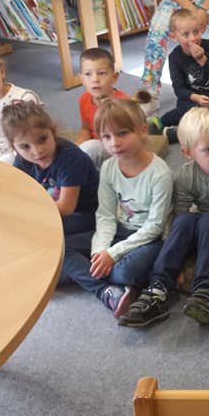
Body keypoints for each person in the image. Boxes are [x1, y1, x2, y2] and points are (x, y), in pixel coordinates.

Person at [120, 108, 209, 328]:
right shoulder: (185, 174)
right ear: (188, 153)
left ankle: (205, 292)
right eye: (208, 150)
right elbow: (177, 219)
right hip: (204, 223)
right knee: (185, 220)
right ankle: (157, 289)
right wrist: (179, 265)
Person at [62, 99, 172, 315]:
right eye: (106, 137)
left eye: (122, 133)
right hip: (119, 230)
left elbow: (155, 227)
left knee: (123, 272)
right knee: (61, 250)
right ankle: (107, 291)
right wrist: (100, 251)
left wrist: (113, 254)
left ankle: (92, 276)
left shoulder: (160, 174)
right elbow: (105, 214)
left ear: (142, 131)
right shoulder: (108, 167)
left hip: (148, 239)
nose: (114, 143)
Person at [3, 101, 99, 237]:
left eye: (42, 139)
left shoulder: (71, 157)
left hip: (85, 213)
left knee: (37, 232)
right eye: (25, 147)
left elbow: (66, 208)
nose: (37, 151)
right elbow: (18, 192)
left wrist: (28, 211)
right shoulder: (22, 159)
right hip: (50, 207)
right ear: (14, 148)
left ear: (53, 132)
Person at [153, 8, 209, 144]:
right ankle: (161, 122)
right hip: (192, 99)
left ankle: (178, 133)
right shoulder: (175, 57)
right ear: (174, 37)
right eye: (186, 34)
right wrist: (196, 98)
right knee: (189, 111)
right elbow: (179, 89)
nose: (193, 38)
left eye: (196, 32)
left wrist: (202, 59)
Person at [76, 47, 130, 165]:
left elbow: (130, 138)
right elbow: (86, 129)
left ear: (114, 77)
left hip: (119, 148)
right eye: (88, 74)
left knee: (89, 149)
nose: (95, 79)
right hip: (98, 147)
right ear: (81, 79)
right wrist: (78, 146)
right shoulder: (84, 99)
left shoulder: (124, 103)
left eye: (101, 73)